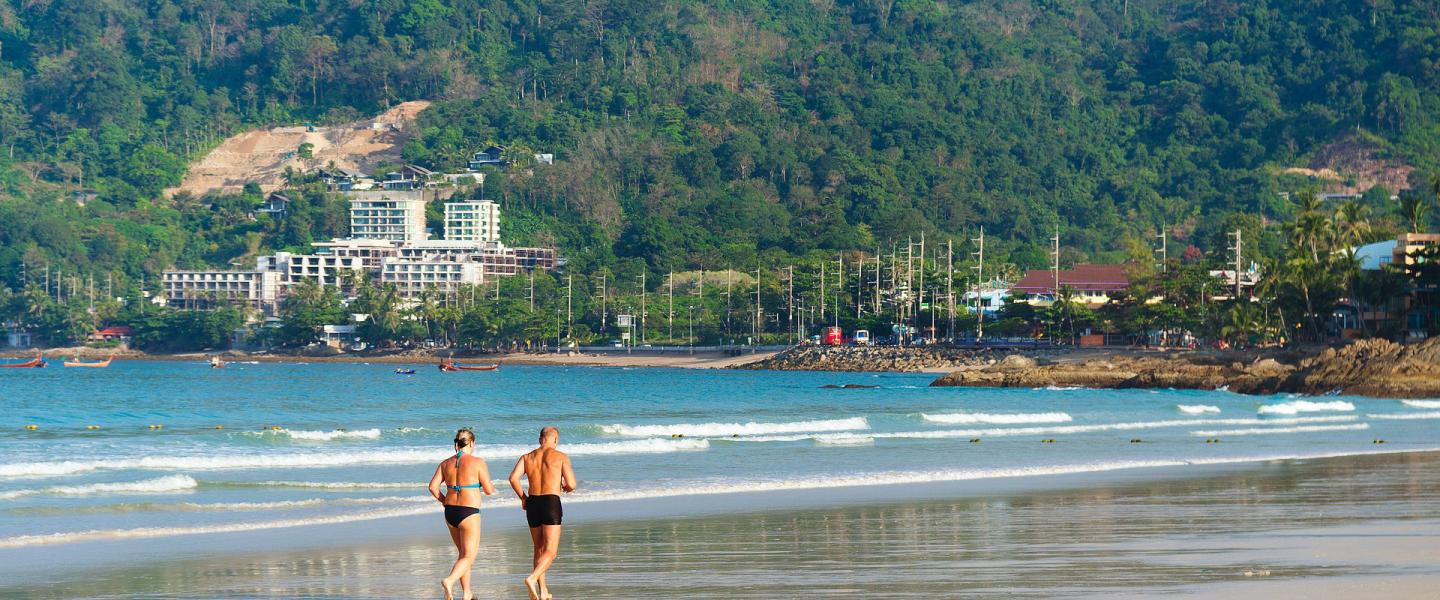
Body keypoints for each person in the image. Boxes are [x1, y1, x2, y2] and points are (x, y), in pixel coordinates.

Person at [509, 427, 577, 600]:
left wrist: (523, 498)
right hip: (550, 502)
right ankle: (532, 579)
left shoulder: (527, 457)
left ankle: (543, 591)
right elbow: (572, 484)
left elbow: (513, 478)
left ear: (540, 439)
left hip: (533, 503)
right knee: (550, 551)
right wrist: (566, 487)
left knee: (538, 549)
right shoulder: (560, 457)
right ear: (556, 440)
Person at [428, 428, 496, 600]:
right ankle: (449, 580)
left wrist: (444, 500)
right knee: (468, 556)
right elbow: (489, 490)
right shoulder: (477, 462)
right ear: (471, 443)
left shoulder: (445, 463)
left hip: (450, 512)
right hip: (469, 512)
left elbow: (433, 487)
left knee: (463, 555)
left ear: (457, 443)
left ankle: (467, 593)